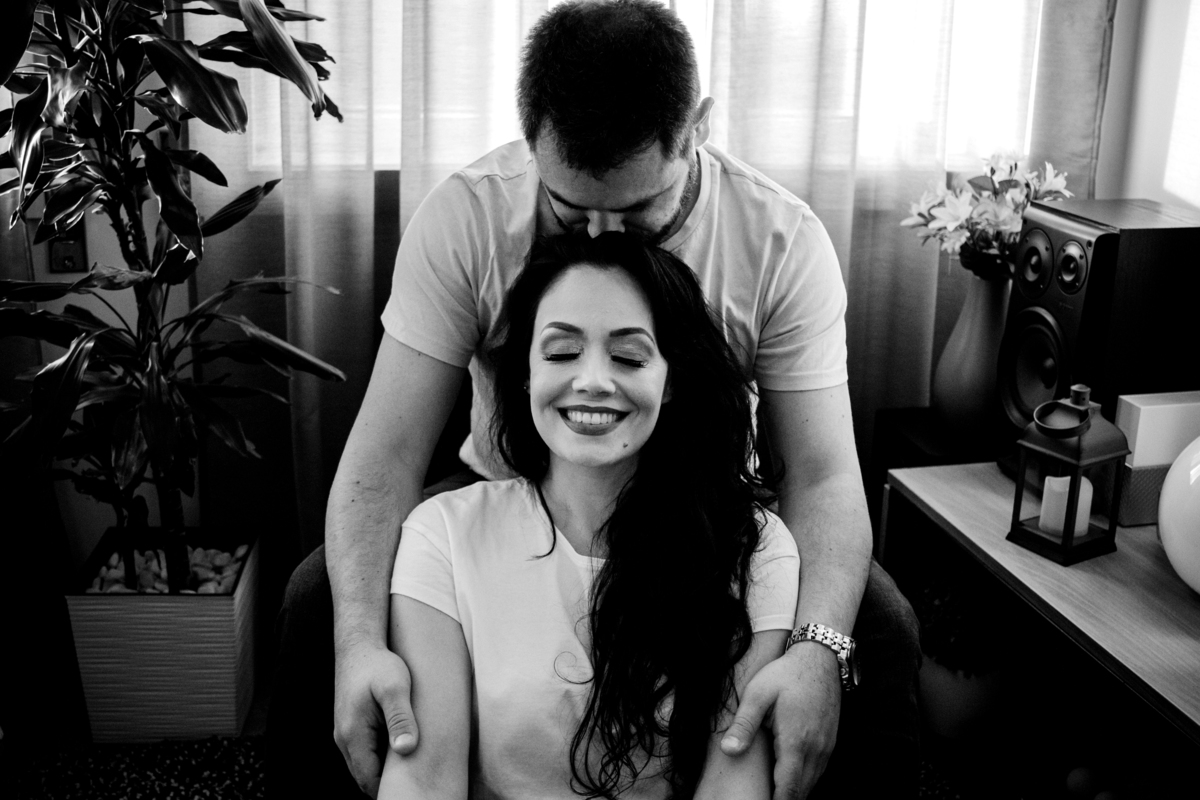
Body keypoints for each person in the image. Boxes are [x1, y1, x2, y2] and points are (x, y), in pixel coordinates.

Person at [266, 2, 920, 798]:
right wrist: (360, 643)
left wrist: (818, 649)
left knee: (879, 628)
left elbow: (822, 474)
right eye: (570, 210)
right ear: (532, 141)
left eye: (637, 211)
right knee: (317, 603)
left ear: (698, 129)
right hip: (510, 482)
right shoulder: (466, 216)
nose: (602, 239)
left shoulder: (784, 240)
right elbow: (386, 454)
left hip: (703, 504)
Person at [381, 231, 799, 799]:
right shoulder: (443, 535)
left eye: (629, 357)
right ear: (526, 372)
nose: (593, 381)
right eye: (561, 353)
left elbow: (734, 780)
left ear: (671, 381)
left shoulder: (757, 547)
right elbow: (424, 776)